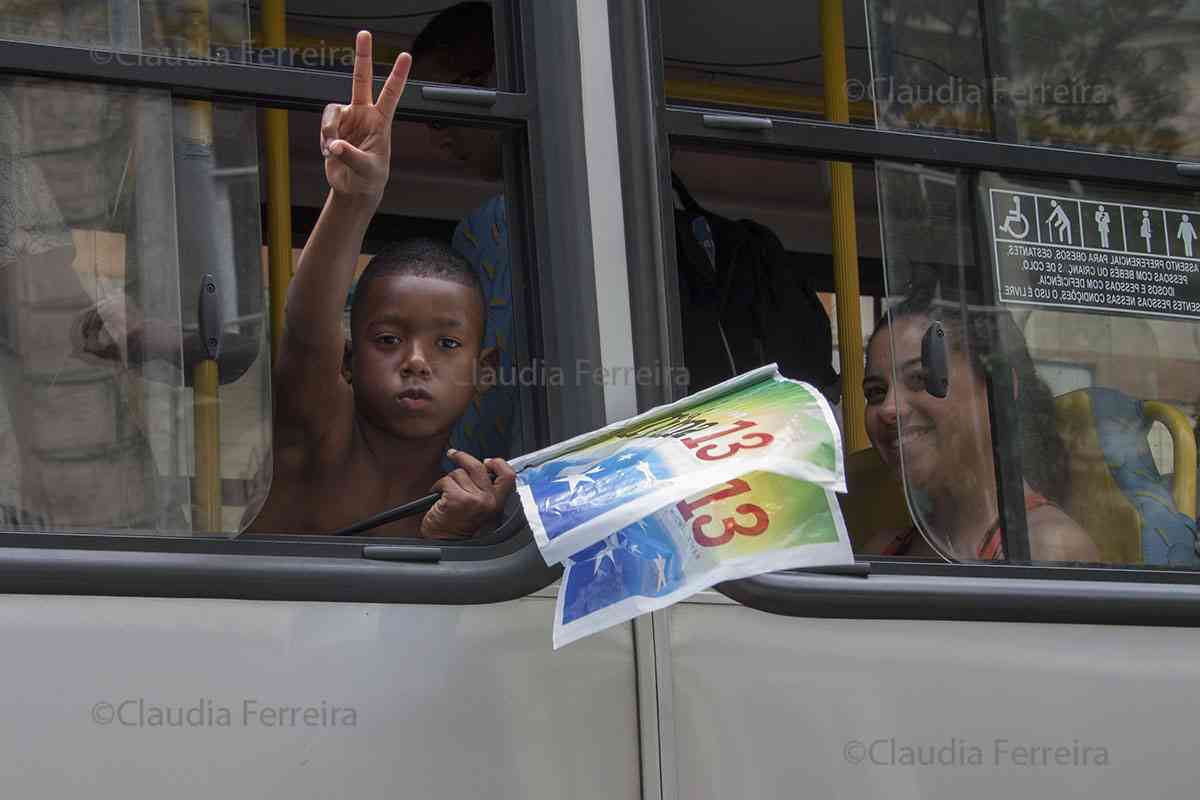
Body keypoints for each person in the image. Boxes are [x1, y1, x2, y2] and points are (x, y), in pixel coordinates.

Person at [246, 32, 515, 538]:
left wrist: (455, 534)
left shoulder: (475, 500)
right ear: (347, 361)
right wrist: (354, 198)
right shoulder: (320, 438)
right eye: (388, 340)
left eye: (447, 343)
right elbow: (307, 330)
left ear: (484, 372)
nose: (416, 360)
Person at [860, 295, 1099, 562]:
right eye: (875, 392)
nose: (888, 409)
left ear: (1000, 389)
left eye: (921, 379)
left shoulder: (1045, 547)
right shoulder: (882, 550)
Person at [408, 1, 516, 462]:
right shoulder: (484, 231)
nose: (438, 138)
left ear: (493, 80)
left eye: (439, 112)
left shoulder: (492, 229)